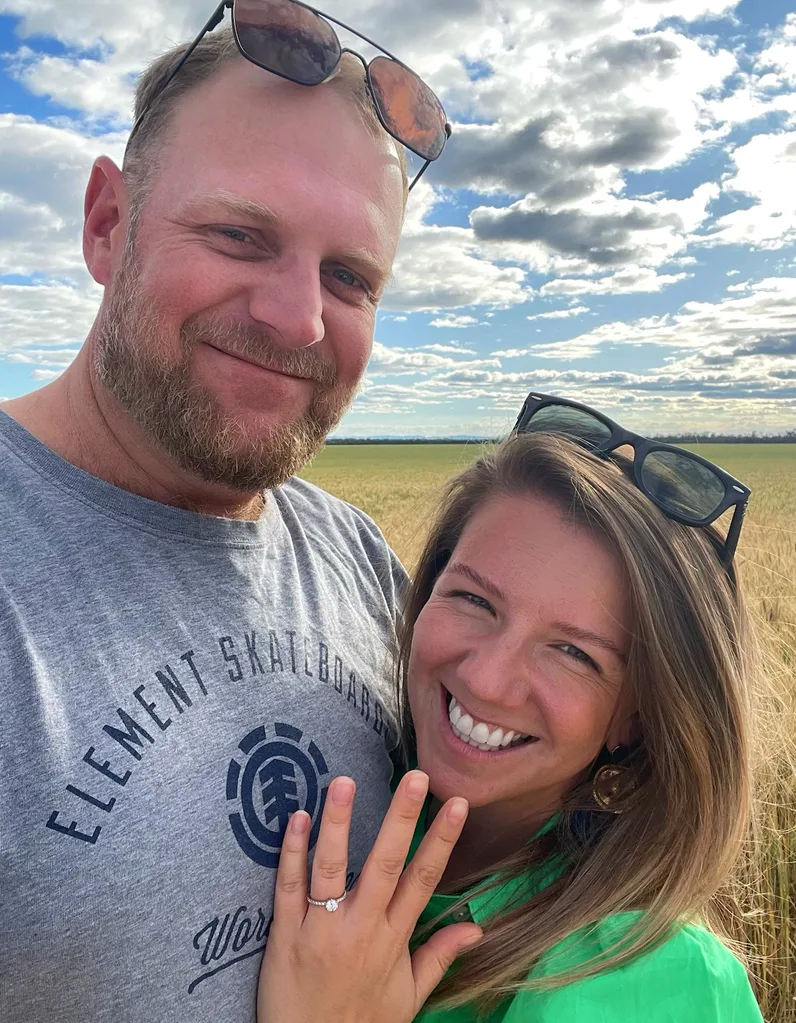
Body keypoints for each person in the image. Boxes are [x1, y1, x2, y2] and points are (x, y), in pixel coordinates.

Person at [0, 2, 451, 1019]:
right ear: (107, 225)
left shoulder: (358, 562)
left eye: (349, 277)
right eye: (241, 235)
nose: (298, 318)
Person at [256, 394, 765, 1022]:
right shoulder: (361, 781)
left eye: (574, 653)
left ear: (638, 718)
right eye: (474, 600)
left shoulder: (647, 981)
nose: (488, 681)